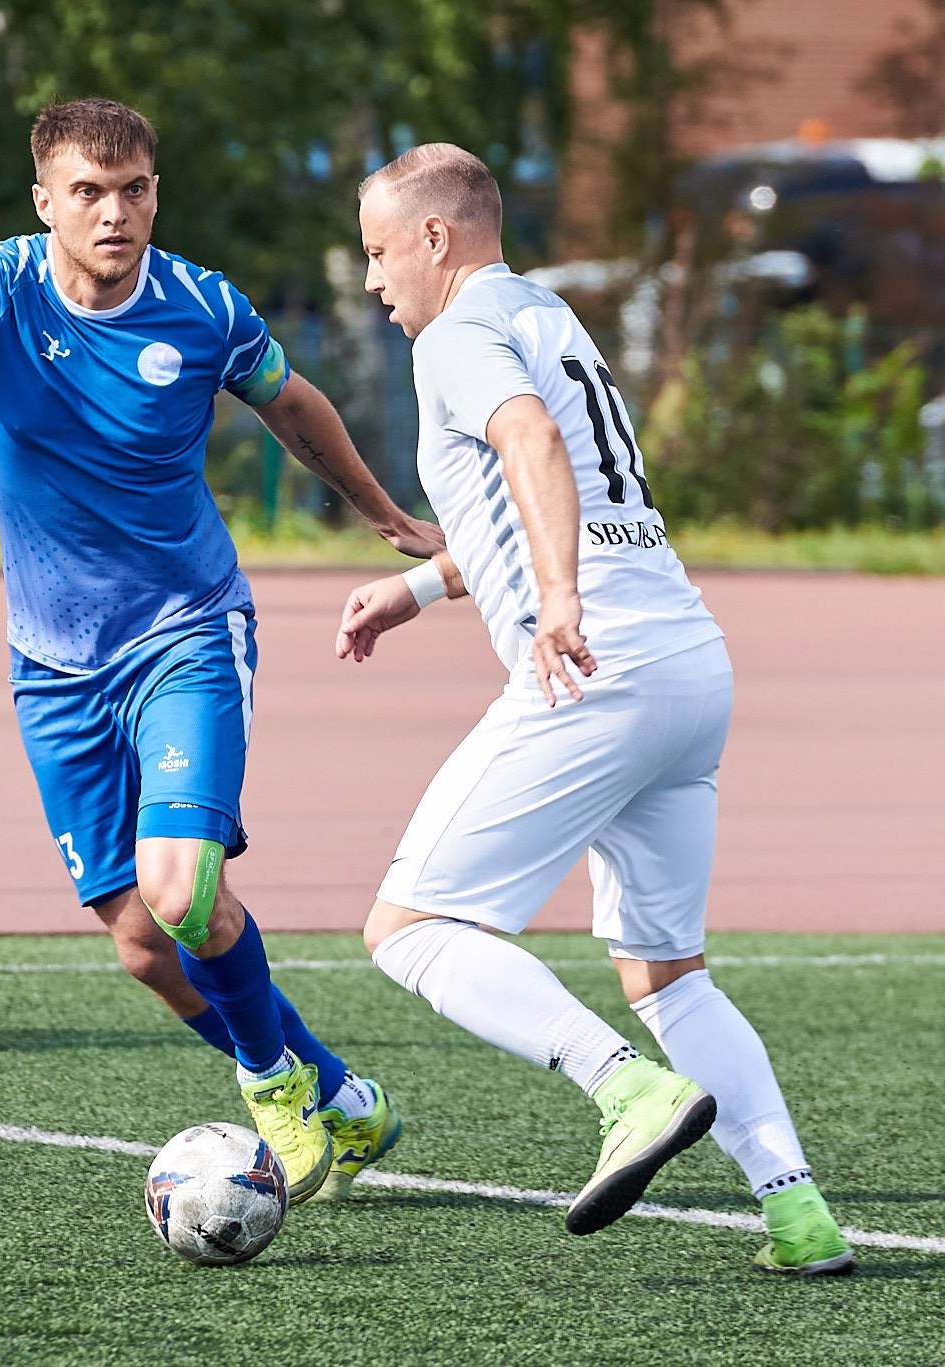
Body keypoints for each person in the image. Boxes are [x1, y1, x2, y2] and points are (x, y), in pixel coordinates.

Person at [0, 99, 444, 1203]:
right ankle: (337, 1090)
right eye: (88, 193)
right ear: (43, 201)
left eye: (134, 188)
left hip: (184, 629)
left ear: (154, 192)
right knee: (147, 946)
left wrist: (384, 514)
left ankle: (272, 1086)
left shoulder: (201, 306)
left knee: (185, 892)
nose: (115, 212)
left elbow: (292, 406)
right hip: (50, 662)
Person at [340, 142, 853, 1272]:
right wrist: (420, 586)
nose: (373, 280)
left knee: (410, 929)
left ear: (436, 237)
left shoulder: (458, 335)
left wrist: (559, 599)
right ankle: (796, 1211)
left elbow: (525, 444)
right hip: (686, 666)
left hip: (595, 668)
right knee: (666, 972)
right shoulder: (547, 316)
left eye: (378, 251)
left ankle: (621, 1086)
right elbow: (557, 491)